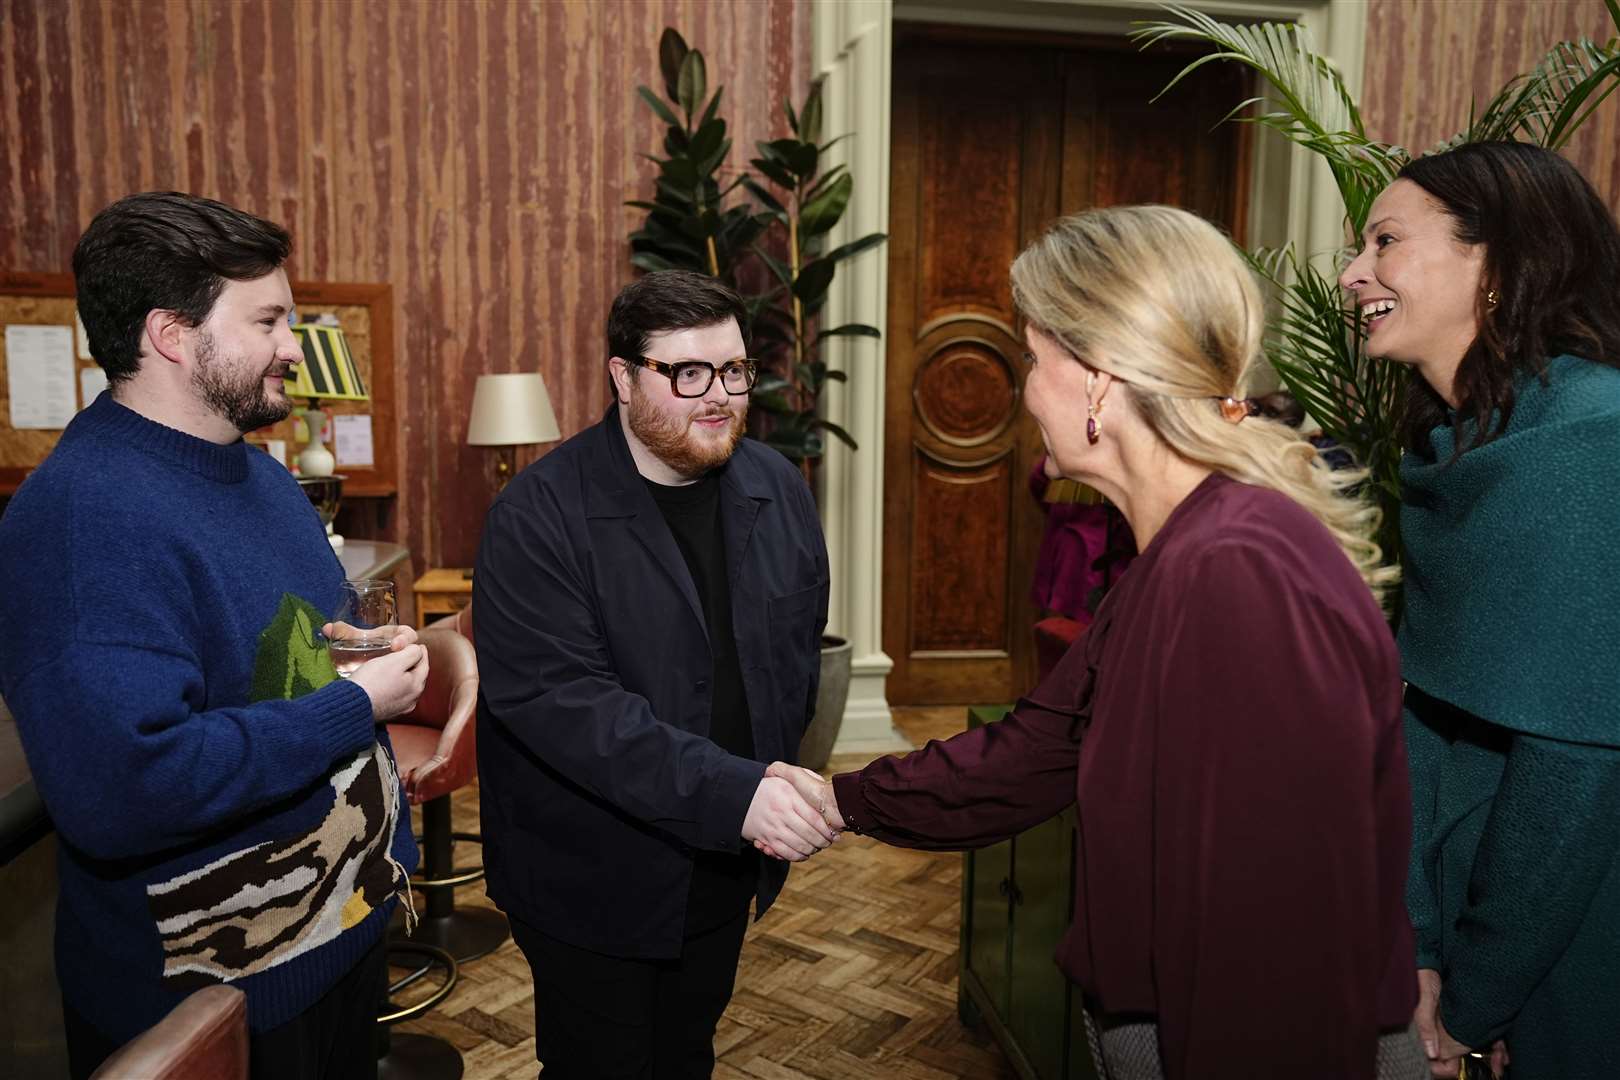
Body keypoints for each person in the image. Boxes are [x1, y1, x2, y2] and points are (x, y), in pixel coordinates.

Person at [764, 205, 1423, 1079]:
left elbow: (1272, 935)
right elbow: (1040, 748)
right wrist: (844, 799)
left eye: (1033, 359)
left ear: (1101, 381)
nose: (1024, 389)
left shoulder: (1235, 572)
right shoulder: (1185, 549)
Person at [0, 191, 429, 1079]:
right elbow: (124, 787)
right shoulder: (84, 519)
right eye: (269, 319)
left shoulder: (258, 475)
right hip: (222, 1009)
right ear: (170, 333)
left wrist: (349, 653)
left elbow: (271, 659)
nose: (292, 345)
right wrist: (353, 706)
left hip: (333, 944)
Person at [472, 269, 836, 1079]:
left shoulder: (777, 487)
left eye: (734, 371)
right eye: (687, 374)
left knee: (686, 1057)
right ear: (623, 376)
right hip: (592, 879)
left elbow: (794, 656)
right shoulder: (536, 516)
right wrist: (736, 792)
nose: (719, 396)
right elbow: (568, 709)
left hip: (725, 865)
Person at [1338, 140, 1620, 1080]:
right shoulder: (1453, 445)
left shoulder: (1593, 443)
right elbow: (1422, 702)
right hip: (1475, 937)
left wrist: (1475, 999)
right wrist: (1418, 943)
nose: (1352, 274)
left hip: (1575, 942)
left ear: (1495, 260)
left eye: (1385, 242)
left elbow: (1574, 770)